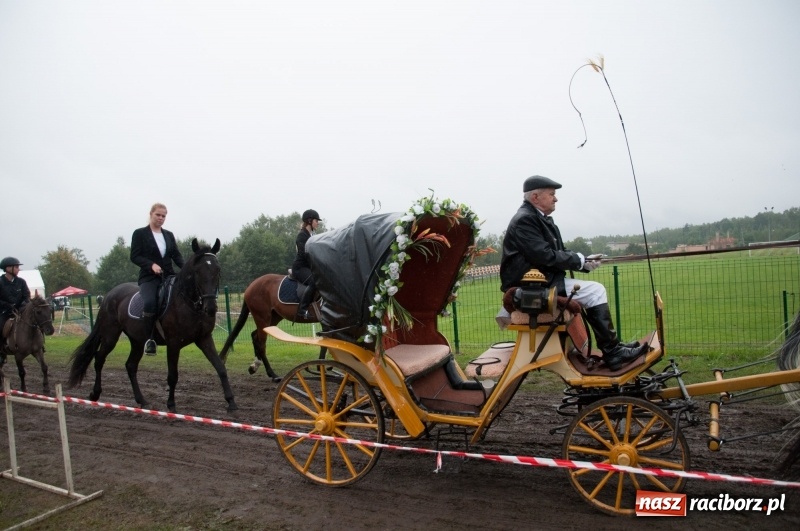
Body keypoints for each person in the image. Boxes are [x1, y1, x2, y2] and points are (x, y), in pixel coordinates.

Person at [500, 175, 648, 371]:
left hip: (542, 281)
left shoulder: (537, 219)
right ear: (535, 197)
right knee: (596, 291)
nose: (555, 198)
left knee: (594, 291)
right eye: (551, 194)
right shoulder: (526, 220)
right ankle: (613, 352)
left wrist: (584, 262)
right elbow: (543, 256)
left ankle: (613, 347)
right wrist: (579, 261)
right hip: (530, 286)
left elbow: (557, 252)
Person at [130, 203, 184, 355]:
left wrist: (187, 269)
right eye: (158, 215)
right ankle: (150, 340)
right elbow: (134, 256)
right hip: (149, 278)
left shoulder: (169, 235)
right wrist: (151, 265)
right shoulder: (140, 233)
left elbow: (176, 256)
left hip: (169, 276)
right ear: (151, 214)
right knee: (150, 303)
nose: (161, 218)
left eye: (163, 216)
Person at [1, 256, 31, 358]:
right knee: (0, 326)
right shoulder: (0, 282)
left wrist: (24, 304)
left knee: (36, 321)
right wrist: (8, 305)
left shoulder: (21, 282)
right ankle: (1, 350)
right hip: (5, 312)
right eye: (17, 267)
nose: (19, 269)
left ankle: (39, 346)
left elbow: (26, 296)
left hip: (20, 310)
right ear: (8, 268)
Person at [293, 209, 320, 319]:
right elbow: (304, 255)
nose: (318, 223)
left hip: (308, 267)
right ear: (309, 221)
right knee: (314, 280)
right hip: (300, 268)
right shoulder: (302, 236)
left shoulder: (311, 235)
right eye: (316, 221)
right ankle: (302, 310)